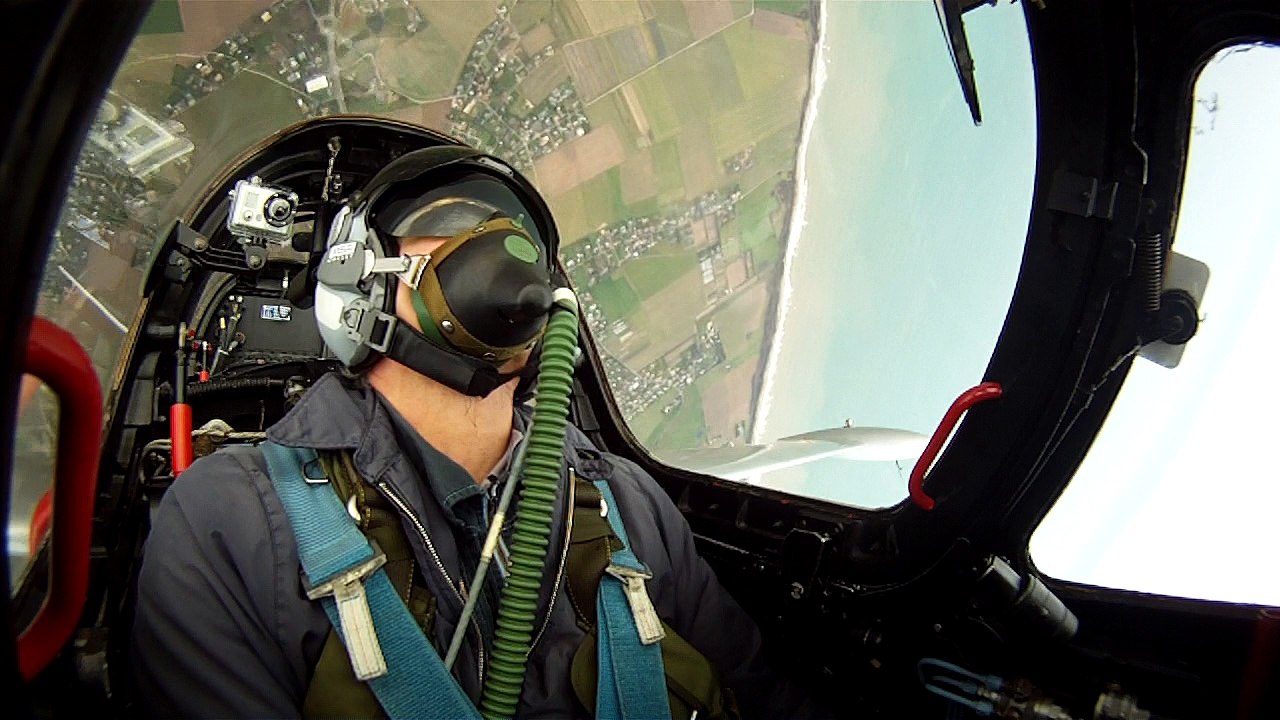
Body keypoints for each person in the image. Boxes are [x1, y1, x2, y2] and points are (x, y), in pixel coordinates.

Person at [132, 139, 813, 719]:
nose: (497, 245)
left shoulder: (626, 503)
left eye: (516, 233)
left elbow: (764, 697)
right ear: (357, 287)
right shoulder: (233, 527)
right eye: (449, 220)